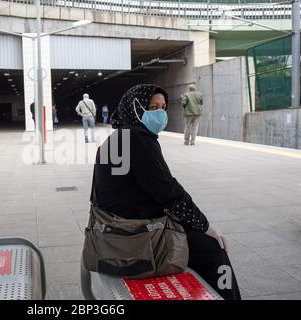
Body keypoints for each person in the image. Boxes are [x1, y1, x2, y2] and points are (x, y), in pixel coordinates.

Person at [88, 84, 241, 300]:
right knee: (214, 249)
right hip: (133, 238)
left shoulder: (117, 137)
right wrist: (206, 226)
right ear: (136, 108)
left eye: (163, 107)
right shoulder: (138, 139)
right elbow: (169, 192)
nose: (160, 113)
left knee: (191, 235)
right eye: (152, 107)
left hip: (110, 232)